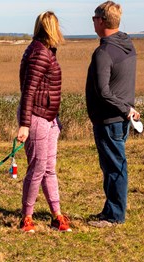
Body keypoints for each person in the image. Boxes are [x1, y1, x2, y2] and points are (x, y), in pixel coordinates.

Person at [85, 1, 140, 227]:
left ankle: (114, 215)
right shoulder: (127, 44)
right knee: (112, 166)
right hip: (121, 119)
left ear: (102, 21)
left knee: (115, 167)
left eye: (94, 18)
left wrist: (126, 109)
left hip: (110, 120)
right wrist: (127, 109)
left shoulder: (104, 52)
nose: (93, 22)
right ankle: (111, 209)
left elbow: (103, 91)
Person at [16, 11, 71, 233]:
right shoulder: (39, 53)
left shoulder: (45, 51)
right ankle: (26, 218)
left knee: (49, 168)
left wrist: (54, 119)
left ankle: (56, 215)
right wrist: (25, 124)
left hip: (48, 117)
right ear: (51, 28)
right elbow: (28, 91)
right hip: (37, 117)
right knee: (37, 168)